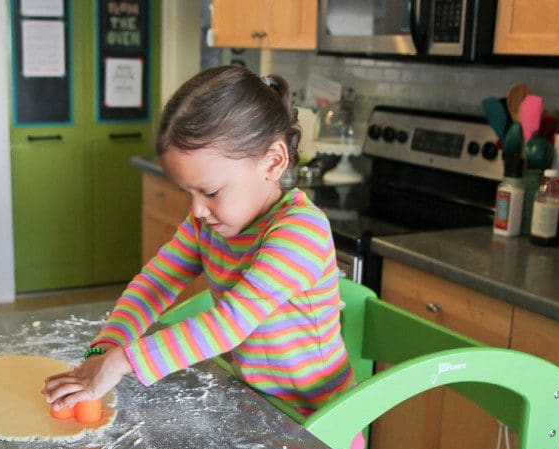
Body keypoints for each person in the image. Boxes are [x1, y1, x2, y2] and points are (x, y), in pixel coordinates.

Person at [44, 65, 354, 419]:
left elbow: (229, 323)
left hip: (320, 421)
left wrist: (121, 363)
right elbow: (155, 283)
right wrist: (105, 348)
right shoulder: (207, 224)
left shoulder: (300, 231)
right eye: (187, 192)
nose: (197, 209)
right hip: (258, 408)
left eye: (209, 191)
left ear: (273, 161)